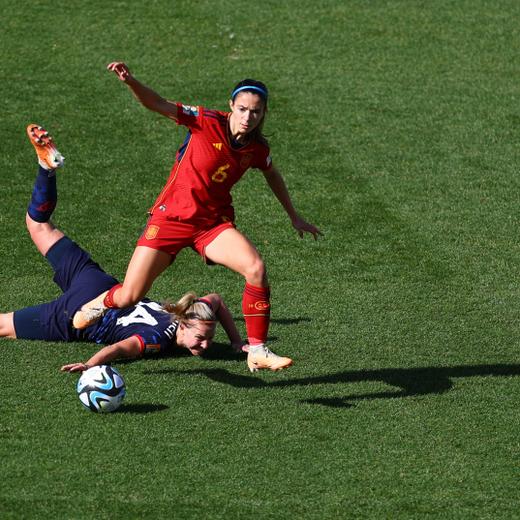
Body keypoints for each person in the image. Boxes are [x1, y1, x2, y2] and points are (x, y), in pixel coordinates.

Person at [73, 62, 321, 371]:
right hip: (170, 220)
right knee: (129, 295)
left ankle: (257, 349)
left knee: (256, 268)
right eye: (242, 109)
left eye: (255, 112)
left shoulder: (255, 149)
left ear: (263, 114)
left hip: (210, 225)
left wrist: (293, 216)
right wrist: (131, 82)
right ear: (231, 105)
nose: (247, 117)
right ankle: (101, 302)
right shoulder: (204, 120)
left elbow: (272, 173)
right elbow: (158, 104)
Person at [0, 124, 292, 372]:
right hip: (75, 315)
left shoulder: (182, 311)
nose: (204, 345)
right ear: (184, 324)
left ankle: (45, 169)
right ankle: (45, 166)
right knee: (4, 327)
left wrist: (233, 340)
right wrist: (91, 365)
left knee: (38, 224)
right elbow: (121, 348)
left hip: (99, 284)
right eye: (202, 338)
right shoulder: (158, 338)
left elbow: (215, 300)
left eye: (206, 338)